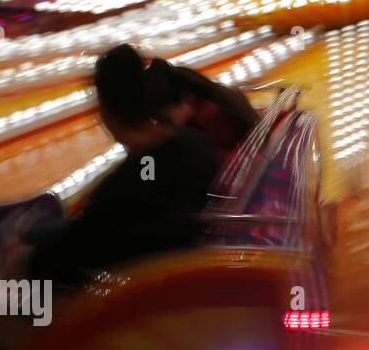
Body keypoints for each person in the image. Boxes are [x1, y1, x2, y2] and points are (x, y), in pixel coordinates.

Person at [19, 45, 221, 286]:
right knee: (42, 234)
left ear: (104, 110)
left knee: (27, 253)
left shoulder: (120, 189)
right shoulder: (197, 143)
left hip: (147, 291)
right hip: (190, 268)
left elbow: (71, 249)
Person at [145, 58, 258, 153]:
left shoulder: (201, 125)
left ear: (185, 98)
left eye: (165, 119)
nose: (164, 126)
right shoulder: (218, 97)